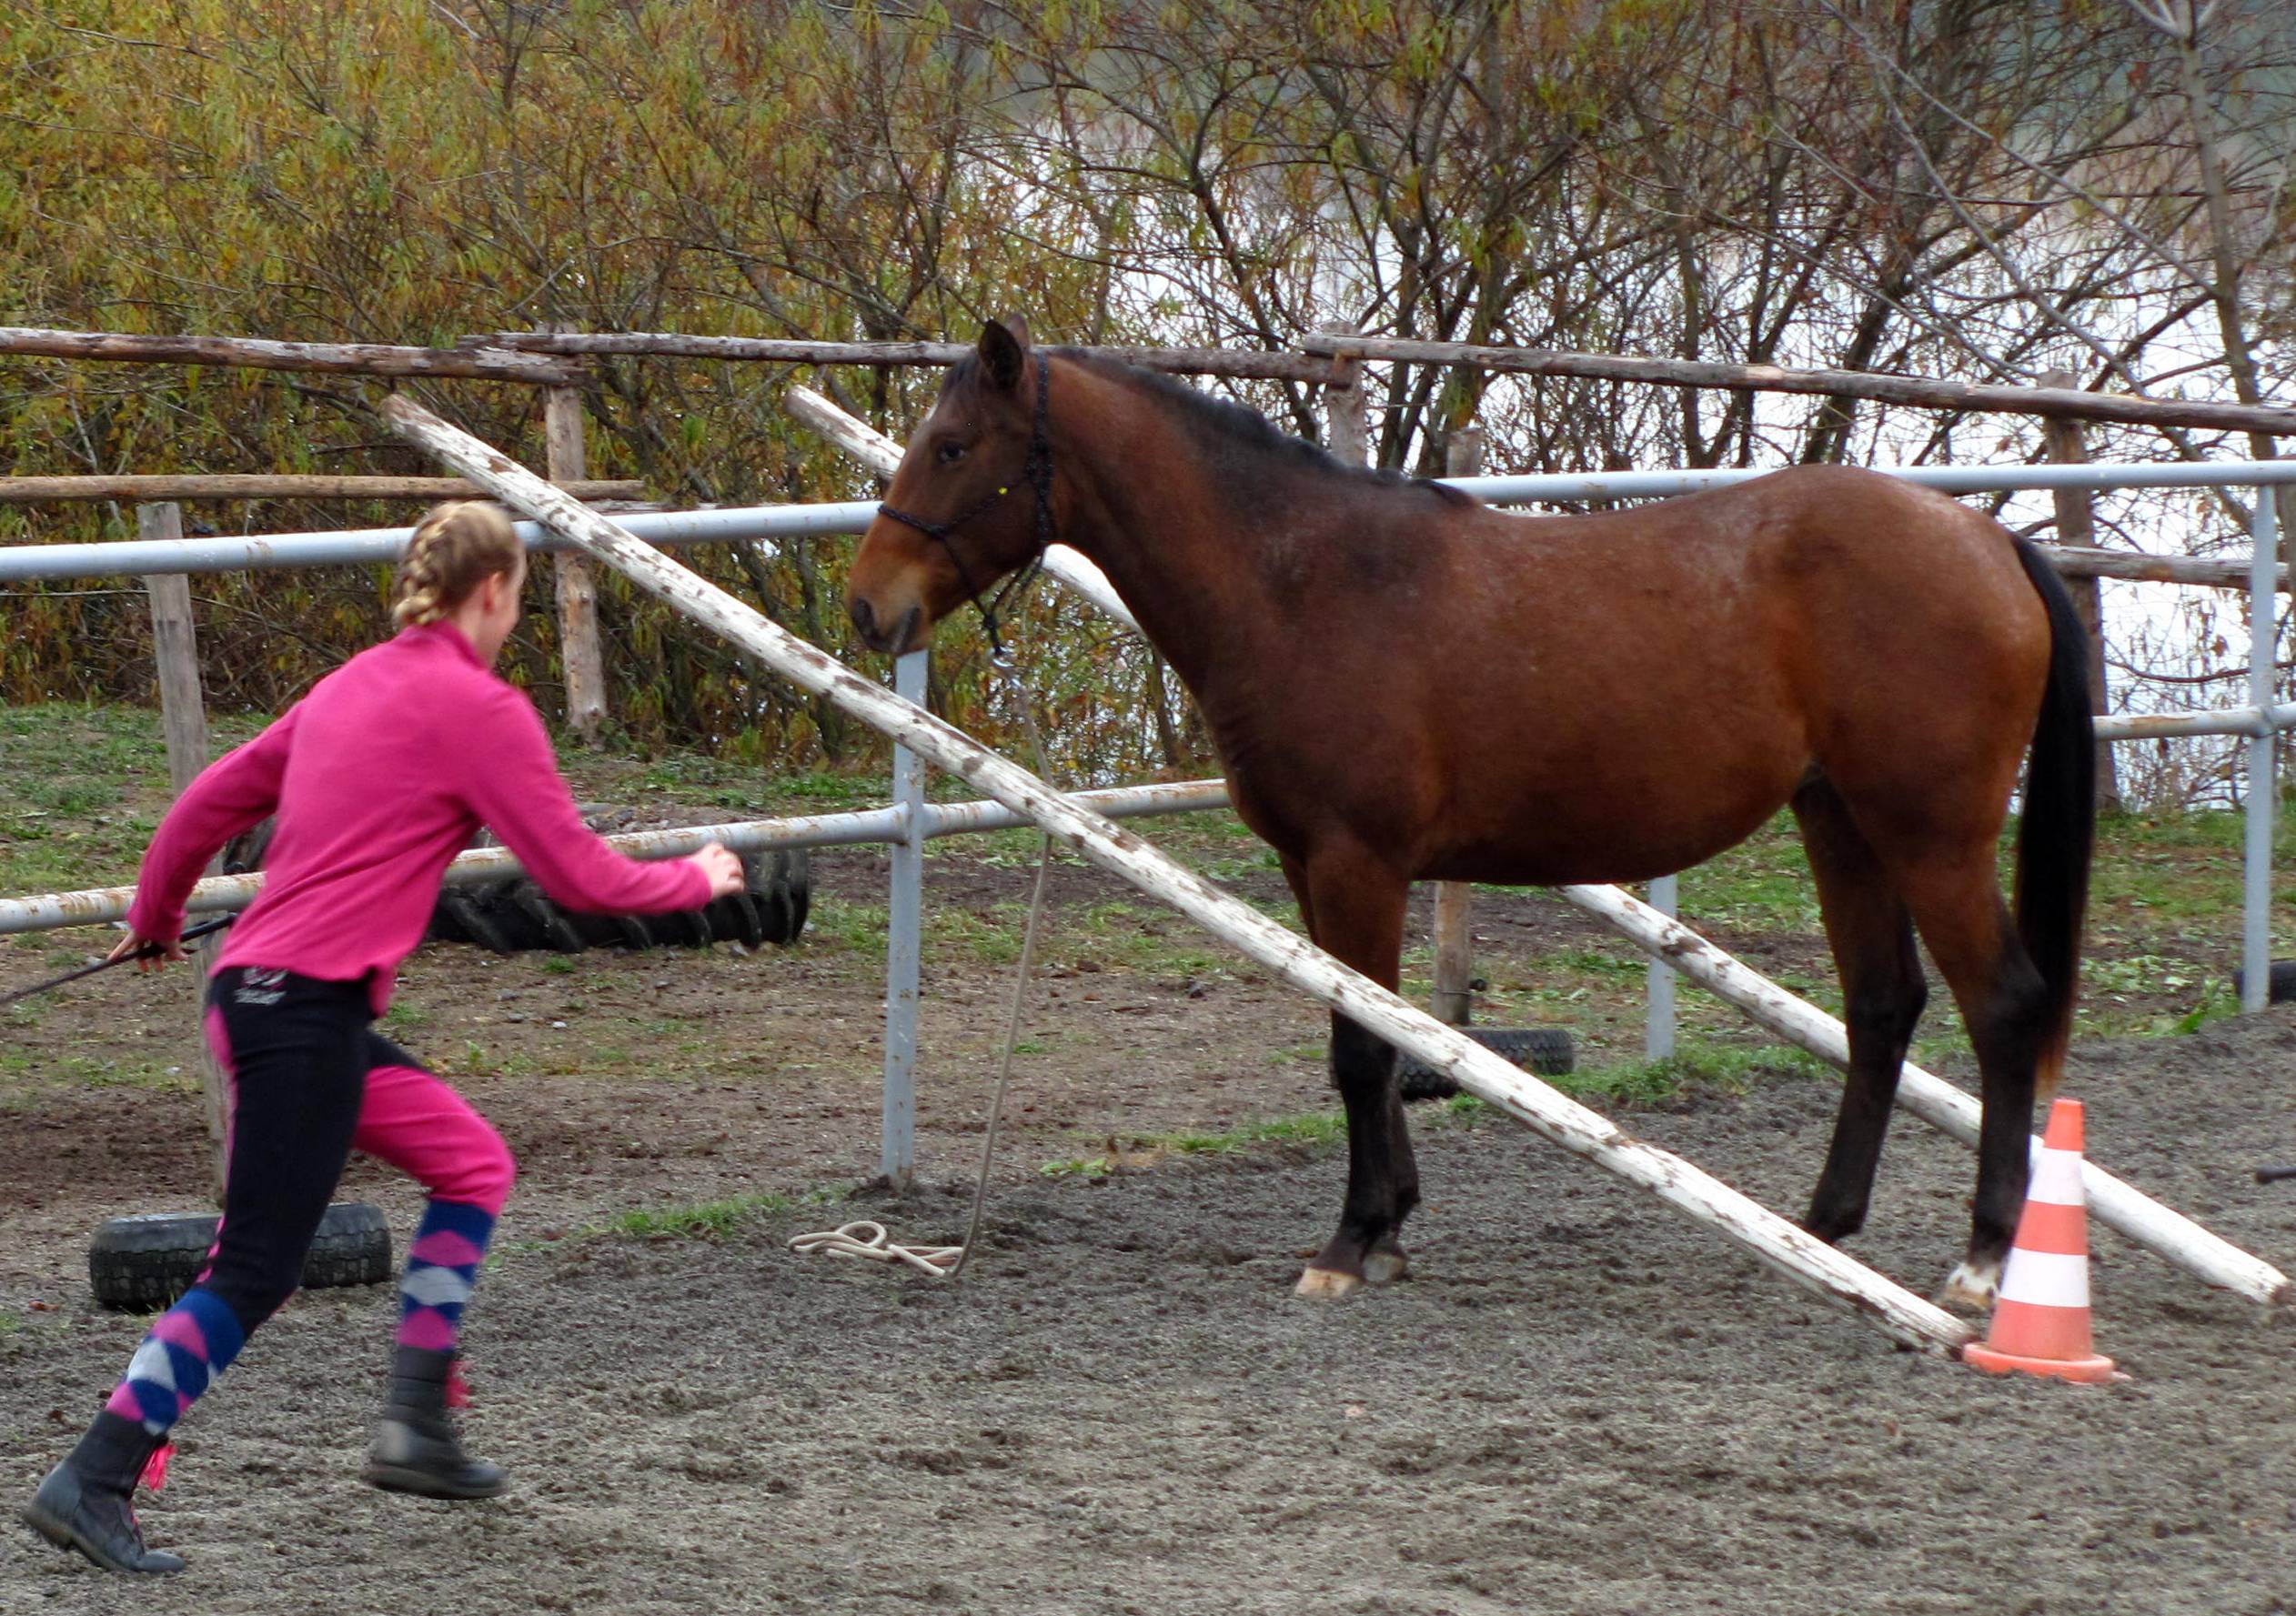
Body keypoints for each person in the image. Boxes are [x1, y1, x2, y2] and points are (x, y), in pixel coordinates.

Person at [21, 502, 744, 1574]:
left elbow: (202, 809)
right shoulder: (483, 711)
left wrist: (160, 919)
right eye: (516, 602)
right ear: (493, 592)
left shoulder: (344, 687)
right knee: (254, 1271)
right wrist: (701, 876)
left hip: (278, 1001)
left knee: (471, 1163)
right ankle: (96, 1472)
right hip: (300, 1011)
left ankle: (417, 1424)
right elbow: (578, 878)